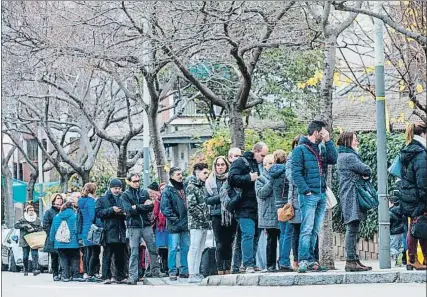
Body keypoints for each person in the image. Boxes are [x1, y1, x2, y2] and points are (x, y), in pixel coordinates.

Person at [292, 120, 337, 273]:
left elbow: (333, 159)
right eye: (323, 132)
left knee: (315, 229)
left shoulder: (321, 148)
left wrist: (329, 141)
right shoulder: (300, 150)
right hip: (309, 195)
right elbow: (295, 173)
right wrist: (306, 190)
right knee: (307, 228)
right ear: (316, 132)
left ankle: (312, 260)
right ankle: (303, 259)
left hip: (321, 194)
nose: (324, 134)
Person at [228, 142, 268, 273]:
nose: (263, 157)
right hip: (244, 205)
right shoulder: (240, 162)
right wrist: (248, 178)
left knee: (253, 236)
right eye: (262, 155)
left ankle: (245, 264)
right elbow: (232, 179)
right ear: (256, 151)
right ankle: (248, 264)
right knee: (248, 234)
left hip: (258, 206)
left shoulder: (261, 164)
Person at [337, 132, 373, 272]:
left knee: (353, 228)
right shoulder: (350, 157)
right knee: (352, 229)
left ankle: (354, 259)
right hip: (352, 195)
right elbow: (366, 169)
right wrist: (363, 174)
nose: (357, 142)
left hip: (348, 194)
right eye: (355, 140)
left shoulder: (342, 155)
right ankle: (351, 260)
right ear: (348, 141)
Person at [121, 173, 165, 285]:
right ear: (129, 182)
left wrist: (137, 207)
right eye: (135, 181)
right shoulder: (125, 195)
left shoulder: (144, 192)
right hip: (133, 226)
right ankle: (133, 276)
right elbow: (129, 211)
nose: (137, 183)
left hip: (145, 224)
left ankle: (156, 272)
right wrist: (141, 207)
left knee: (153, 249)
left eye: (138, 181)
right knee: (134, 251)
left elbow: (150, 207)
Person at [397, 122, 427, 270]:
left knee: (418, 225)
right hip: (418, 195)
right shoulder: (420, 153)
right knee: (416, 226)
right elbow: (423, 179)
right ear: (423, 134)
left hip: (408, 194)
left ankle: (416, 259)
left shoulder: (408, 150)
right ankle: (413, 259)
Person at [205, 156, 237, 275]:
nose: (220, 167)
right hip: (216, 214)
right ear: (215, 166)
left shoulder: (232, 179)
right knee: (219, 243)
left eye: (222, 165)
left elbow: (236, 195)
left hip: (230, 214)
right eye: (218, 165)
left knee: (229, 242)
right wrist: (221, 197)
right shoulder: (210, 181)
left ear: (226, 166)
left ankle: (228, 267)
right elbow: (207, 199)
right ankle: (219, 268)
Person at [95, 178, 128, 284]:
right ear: (110, 188)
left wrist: (123, 213)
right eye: (115, 188)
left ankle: (120, 276)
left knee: (120, 256)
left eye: (119, 188)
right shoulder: (102, 199)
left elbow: (128, 212)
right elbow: (98, 213)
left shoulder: (123, 199)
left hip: (120, 231)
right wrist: (111, 210)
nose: (117, 190)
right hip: (108, 231)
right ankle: (106, 276)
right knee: (107, 256)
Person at [160, 167, 190, 281]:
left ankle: (184, 270)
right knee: (172, 248)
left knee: (185, 248)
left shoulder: (185, 187)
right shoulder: (167, 190)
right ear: (172, 176)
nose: (180, 176)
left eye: (181, 174)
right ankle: (172, 271)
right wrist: (176, 219)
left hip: (185, 223)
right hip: (174, 225)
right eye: (178, 174)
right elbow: (165, 208)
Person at [186, 163, 211, 283]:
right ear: (197, 172)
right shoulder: (192, 186)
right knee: (194, 247)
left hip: (204, 222)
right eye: (204, 173)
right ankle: (192, 273)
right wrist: (203, 217)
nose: (207, 175)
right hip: (196, 223)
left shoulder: (202, 186)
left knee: (200, 248)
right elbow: (191, 206)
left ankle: (196, 272)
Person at [255, 154, 280, 272]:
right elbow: (261, 193)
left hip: (280, 212)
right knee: (271, 239)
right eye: (267, 164)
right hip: (268, 213)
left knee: (284, 238)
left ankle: (283, 263)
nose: (269, 166)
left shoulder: (281, 176)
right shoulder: (260, 179)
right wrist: (271, 181)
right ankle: (270, 265)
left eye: (272, 163)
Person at [270, 149, 293, 272]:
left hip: (277, 204)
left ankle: (282, 260)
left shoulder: (271, 171)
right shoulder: (286, 171)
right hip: (286, 205)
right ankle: (284, 261)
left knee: (283, 233)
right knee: (288, 233)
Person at [49, 201, 80, 282]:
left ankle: (66, 276)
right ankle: (75, 275)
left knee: (63, 259)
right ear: (72, 208)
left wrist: (52, 241)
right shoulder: (75, 216)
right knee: (75, 258)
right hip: (73, 243)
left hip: (59, 243)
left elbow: (53, 231)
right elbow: (77, 229)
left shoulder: (56, 217)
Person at [77, 183, 102, 282]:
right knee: (95, 252)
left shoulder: (81, 201)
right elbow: (92, 216)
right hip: (92, 229)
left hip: (84, 229)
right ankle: (92, 273)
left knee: (87, 252)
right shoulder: (91, 201)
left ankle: (86, 272)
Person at [14, 204, 43, 276]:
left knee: (35, 255)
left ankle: (35, 269)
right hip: (24, 239)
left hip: (34, 239)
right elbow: (16, 226)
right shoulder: (22, 219)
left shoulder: (37, 219)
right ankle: (26, 269)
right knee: (25, 256)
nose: (31, 211)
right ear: (26, 211)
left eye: (32, 210)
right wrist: (25, 225)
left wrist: (34, 229)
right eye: (29, 210)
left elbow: (41, 228)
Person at [43, 193, 64, 281]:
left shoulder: (64, 210)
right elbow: (45, 225)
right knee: (54, 257)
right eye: (57, 198)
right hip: (53, 238)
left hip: (63, 237)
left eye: (60, 198)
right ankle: (55, 273)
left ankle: (62, 273)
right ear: (53, 200)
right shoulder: (49, 212)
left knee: (63, 256)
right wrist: (52, 233)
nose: (59, 200)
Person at [152, 182, 169, 274]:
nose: (163, 191)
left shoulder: (170, 199)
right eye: (161, 189)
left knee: (170, 248)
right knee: (162, 249)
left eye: (165, 189)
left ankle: (168, 267)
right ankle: (164, 267)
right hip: (160, 227)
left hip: (169, 226)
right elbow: (154, 214)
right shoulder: (157, 201)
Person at [389, 195, 405, 267]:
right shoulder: (402, 210)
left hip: (394, 232)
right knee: (400, 247)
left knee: (393, 247)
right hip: (402, 231)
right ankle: (399, 261)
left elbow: (388, 223)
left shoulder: (390, 212)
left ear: (392, 203)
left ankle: (398, 260)